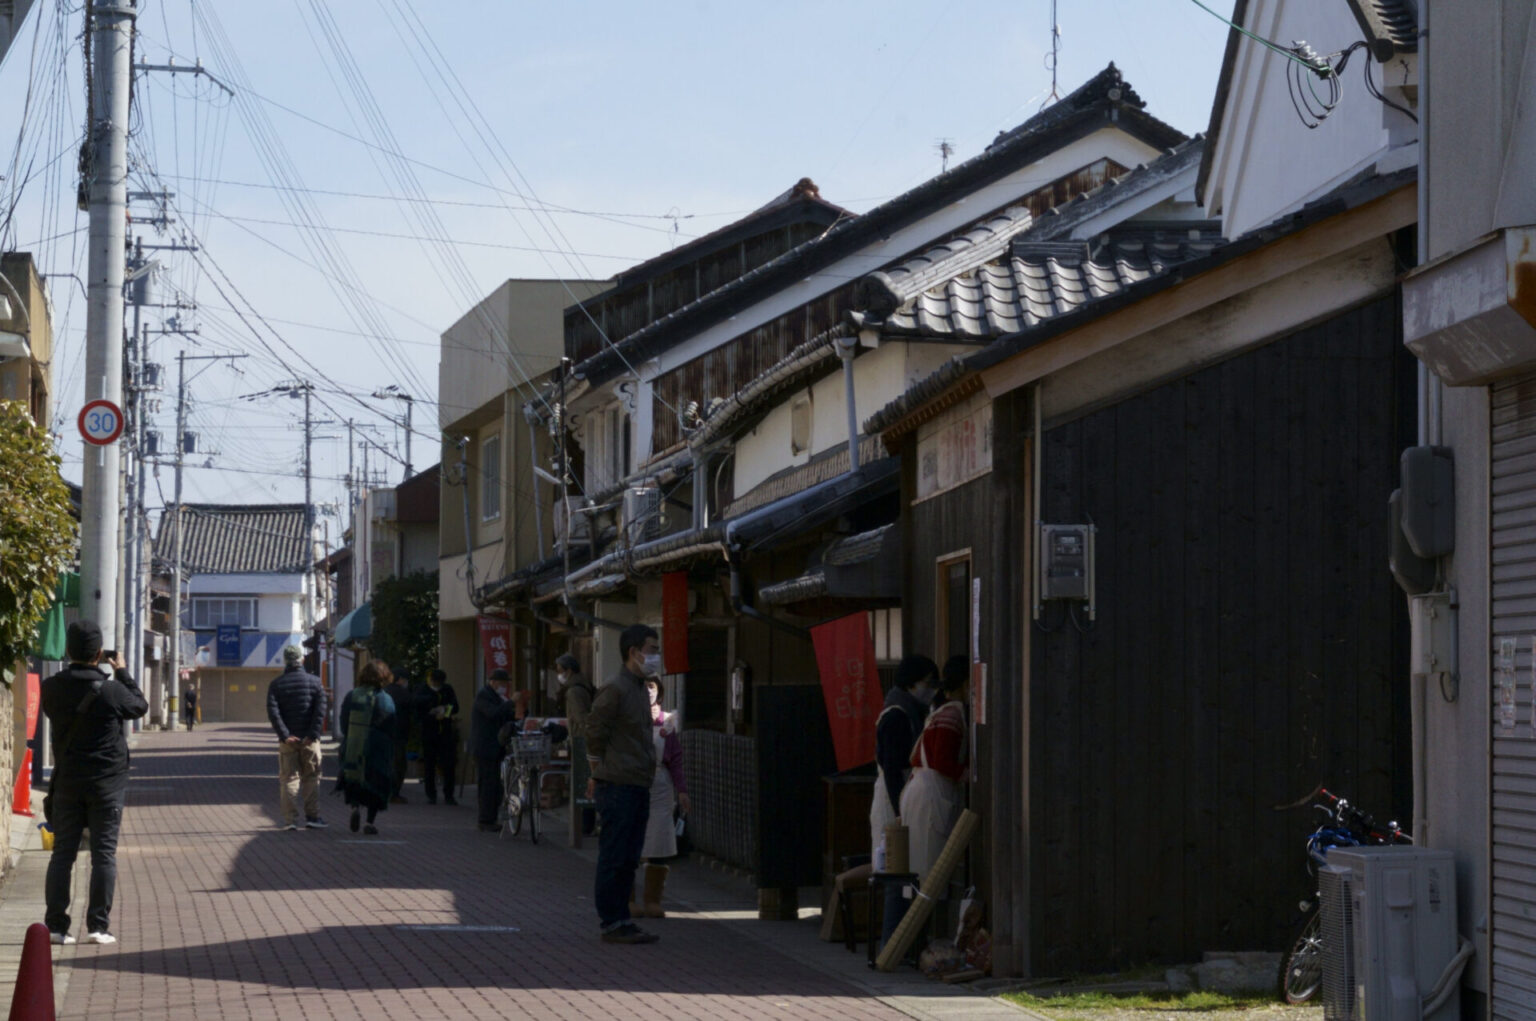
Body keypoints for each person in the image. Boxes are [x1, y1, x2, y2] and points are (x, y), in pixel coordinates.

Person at [41, 620, 150, 946]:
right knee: (103, 854)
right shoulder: (111, 690)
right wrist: (122, 672)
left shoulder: (51, 687)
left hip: (68, 782)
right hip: (106, 784)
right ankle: (98, 927)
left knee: (63, 854)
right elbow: (140, 706)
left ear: (67, 650)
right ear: (100, 653)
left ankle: (56, 927)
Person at [586, 624, 662, 945]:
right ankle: (612, 921)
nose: (656, 656)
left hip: (637, 783)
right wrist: (598, 770)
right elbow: (594, 732)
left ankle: (622, 919)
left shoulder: (640, 688)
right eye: (652, 649)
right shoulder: (615, 688)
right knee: (615, 855)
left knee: (629, 857)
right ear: (634, 652)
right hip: (617, 785)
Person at [872, 654, 937, 946]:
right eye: (927, 683)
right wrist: (900, 808)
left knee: (903, 874)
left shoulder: (910, 710)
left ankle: (900, 945)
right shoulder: (897, 715)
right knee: (896, 875)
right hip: (893, 798)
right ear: (912, 683)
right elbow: (891, 768)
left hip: (899, 796)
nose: (930, 690)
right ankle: (891, 944)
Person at [900, 655, 969, 880]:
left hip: (920, 791)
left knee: (921, 867)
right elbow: (942, 761)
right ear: (966, 683)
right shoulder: (951, 714)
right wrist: (968, 774)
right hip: (930, 795)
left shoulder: (940, 711)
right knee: (930, 870)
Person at [635, 677, 689, 919]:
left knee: (658, 838)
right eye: (645, 687)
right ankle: (628, 900)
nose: (649, 691)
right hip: (633, 781)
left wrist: (682, 790)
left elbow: (676, 759)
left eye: (652, 687)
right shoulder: (627, 718)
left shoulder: (667, 721)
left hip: (660, 784)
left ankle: (652, 900)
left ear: (660, 692)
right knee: (630, 838)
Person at [266, 644, 328, 831]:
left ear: (285, 661)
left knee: (289, 779)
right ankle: (313, 817)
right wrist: (312, 734)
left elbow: (273, 713)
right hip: (310, 741)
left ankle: (290, 820)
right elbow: (320, 711)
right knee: (311, 777)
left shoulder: (276, 684)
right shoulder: (315, 682)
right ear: (302, 659)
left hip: (288, 742)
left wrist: (285, 735)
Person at [337, 660, 397, 835]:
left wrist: (350, 737)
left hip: (354, 745)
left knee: (354, 780)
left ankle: (355, 807)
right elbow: (391, 725)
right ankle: (369, 822)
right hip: (377, 748)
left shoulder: (352, 695)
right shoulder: (385, 698)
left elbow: (343, 722)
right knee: (376, 783)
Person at [471, 668, 519, 832]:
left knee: (495, 785)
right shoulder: (484, 696)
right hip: (485, 748)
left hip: (495, 747)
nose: (504, 686)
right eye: (502, 683)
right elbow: (493, 714)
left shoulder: (496, 697)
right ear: (493, 682)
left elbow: (504, 715)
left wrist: (518, 712)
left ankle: (490, 818)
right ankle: (485, 819)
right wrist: (511, 702)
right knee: (488, 784)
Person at [556, 654, 597, 836]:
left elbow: (581, 718)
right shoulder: (585, 685)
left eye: (560, 671)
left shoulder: (573, 691)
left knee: (583, 783)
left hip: (582, 741)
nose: (559, 675)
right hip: (587, 740)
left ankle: (585, 826)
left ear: (569, 670)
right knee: (588, 782)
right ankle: (587, 824)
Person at [415, 668, 459, 806]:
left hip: (445, 732)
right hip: (429, 732)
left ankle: (449, 795)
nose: (436, 685)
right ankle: (431, 795)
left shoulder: (447, 690)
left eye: (439, 683)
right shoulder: (422, 690)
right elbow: (417, 709)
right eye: (434, 682)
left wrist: (446, 711)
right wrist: (431, 714)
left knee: (448, 765)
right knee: (429, 764)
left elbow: (455, 706)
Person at [384, 671, 413, 803]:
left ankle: (386, 792)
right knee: (398, 765)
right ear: (400, 679)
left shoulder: (384, 691)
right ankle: (394, 793)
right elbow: (412, 707)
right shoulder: (402, 693)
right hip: (398, 733)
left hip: (384, 733)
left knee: (388, 763)